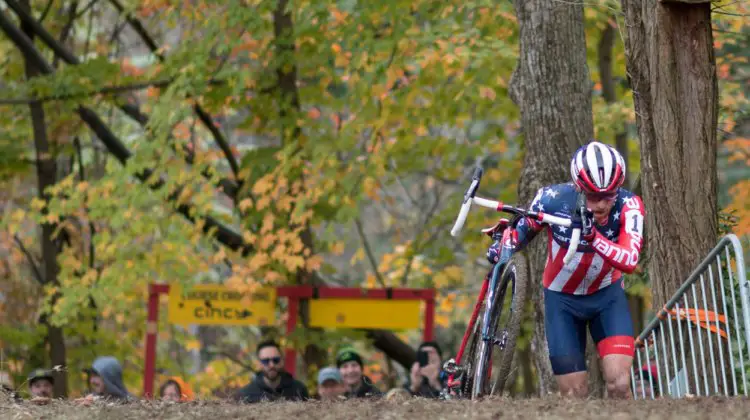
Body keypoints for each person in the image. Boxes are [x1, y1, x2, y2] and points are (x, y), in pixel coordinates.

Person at [487, 141, 644, 399]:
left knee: (619, 384)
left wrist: (595, 239)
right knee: (574, 393)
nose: (602, 205)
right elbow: (520, 235)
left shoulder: (630, 205)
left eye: (609, 195)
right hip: (562, 301)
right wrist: (502, 246)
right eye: (593, 197)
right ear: (578, 188)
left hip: (607, 297)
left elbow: (629, 260)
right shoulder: (552, 199)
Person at [234, 340, 308, 403]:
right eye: (266, 361)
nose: (271, 365)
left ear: (282, 361)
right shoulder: (246, 394)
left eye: (276, 360)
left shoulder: (299, 389)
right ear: (259, 364)